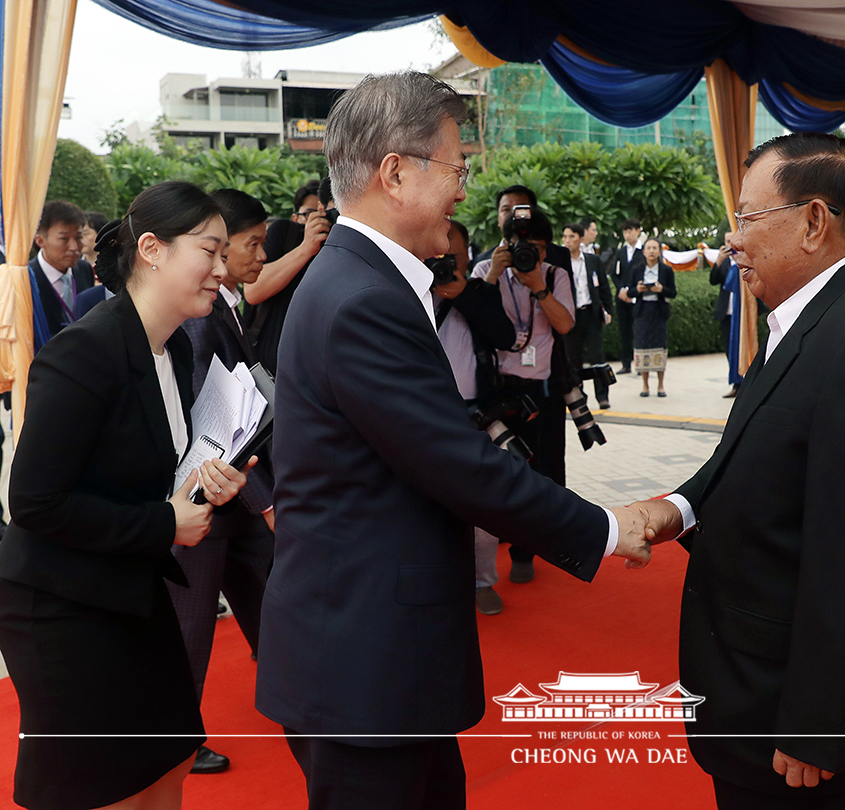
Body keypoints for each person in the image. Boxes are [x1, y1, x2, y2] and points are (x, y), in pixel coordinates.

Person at [254, 72, 651, 810]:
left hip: (380, 653)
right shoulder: (361, 298)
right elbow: (456, 464)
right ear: (396, 173)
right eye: (459, 167)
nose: (467, 190)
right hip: (362, 662)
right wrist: (602, 528)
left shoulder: (361, 279)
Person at [629, 131, 845, 810]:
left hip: (797, 722)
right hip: (760, 689)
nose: (731, 242)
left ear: (814, 221)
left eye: (747, 218)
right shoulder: (821, 315)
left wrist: (821, 720)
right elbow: (772, 458)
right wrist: (680, 508)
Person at [0, 181, 254, 810]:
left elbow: (141, 475)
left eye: (227, 254)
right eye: (210, 250)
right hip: (62, 605)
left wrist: (199, 487)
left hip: (130, 588)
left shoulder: (170, 352)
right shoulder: (85, 352)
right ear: (152, 249)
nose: (223, 270)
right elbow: (34, 502)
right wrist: (163, 523)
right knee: (99, 788)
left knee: (166, 764)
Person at [172, 188, 277, 775]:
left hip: (239, 495)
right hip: (204, 497)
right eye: (250, 244)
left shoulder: (228, 304)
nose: (257, 255)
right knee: (189, 634)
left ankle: (303, 696)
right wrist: (265, 501)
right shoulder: (200, 315)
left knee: (273, 601)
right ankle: (176, 741)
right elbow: (208, 419)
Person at [472, 207, 576, 584]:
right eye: (520, 245)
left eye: (536, 247)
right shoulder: (486, 273)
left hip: (542, 392)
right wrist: (497, 273)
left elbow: (564, 324)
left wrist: (538, 287)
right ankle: (497, 544)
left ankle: (526, 550)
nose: (528, 254)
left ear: (546, 250)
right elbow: (471, 317)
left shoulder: (554, 275)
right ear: (505, 245)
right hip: (496, 392)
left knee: (541, 471)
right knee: (498, 474)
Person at [431, 219, 517, 615]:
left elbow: (504, 335)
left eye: (456, 253)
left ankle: (483, 581)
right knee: (429, 511)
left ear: (468, 255)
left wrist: (463, 293)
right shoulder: (407, 295)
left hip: (479, 416)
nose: (447, 260)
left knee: (481, 512)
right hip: (427, 419)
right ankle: (441, 584)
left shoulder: (480, 291)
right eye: (440, 252)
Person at [241, 178, 331, 374]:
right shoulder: (285, 233)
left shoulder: (345, 246)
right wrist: (306, 248)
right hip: (268, 366)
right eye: (309, 214)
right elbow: (253, 290)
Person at [28, 200, 95, 353]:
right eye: (64, 239)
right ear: (40, 240)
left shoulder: (84, 270)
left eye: (78, 238)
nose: (74, 247)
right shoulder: (26, 279)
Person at [563, 221, 613, 408]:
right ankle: (579, 397)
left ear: (581, 239)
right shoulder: (560, 263)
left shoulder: (593, 261)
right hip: (570, 317)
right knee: (573, 360)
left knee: (597, 357)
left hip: (591, 315)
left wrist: (608, 310)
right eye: (565, 237)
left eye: (572, 237)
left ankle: (603, 396)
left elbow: (604, 288)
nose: (567, 241)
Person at [630, 236, 676, 397]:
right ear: (643, 251)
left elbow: (673, 292)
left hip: (659, 312)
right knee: (642, 347)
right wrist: (638, 289)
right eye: (648, 248)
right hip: (642, 312)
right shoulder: (636, 270)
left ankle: (661, 385)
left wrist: (661, 290)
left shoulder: (666, 270)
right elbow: (630, 291)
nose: (651, 251)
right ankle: (645, 385)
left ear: (659, 251)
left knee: (659, 347)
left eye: (654, 248)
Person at [709, 231, 743, 398]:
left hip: (743, 312)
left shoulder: (745, 258)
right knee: (729, 349)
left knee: (744, 348)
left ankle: (746, 382)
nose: (730, 244)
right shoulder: (724, 263)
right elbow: (713, 280)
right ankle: (736, 383)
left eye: (732, 240)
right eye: (727, 241)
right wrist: (719, 260)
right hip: (726, 311)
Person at [611, 217, 644, 374]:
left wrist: (633, 292)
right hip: (622, 298)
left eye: (630, 231)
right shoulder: (620, 252)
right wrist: (621, 290)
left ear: (638, 231)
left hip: (639, 297)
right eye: (625, 231)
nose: (627, 235)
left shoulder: (645, 251)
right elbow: (614, 273)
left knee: (639, 331)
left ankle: (640, 364)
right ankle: (626, 363)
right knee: (624, 331)